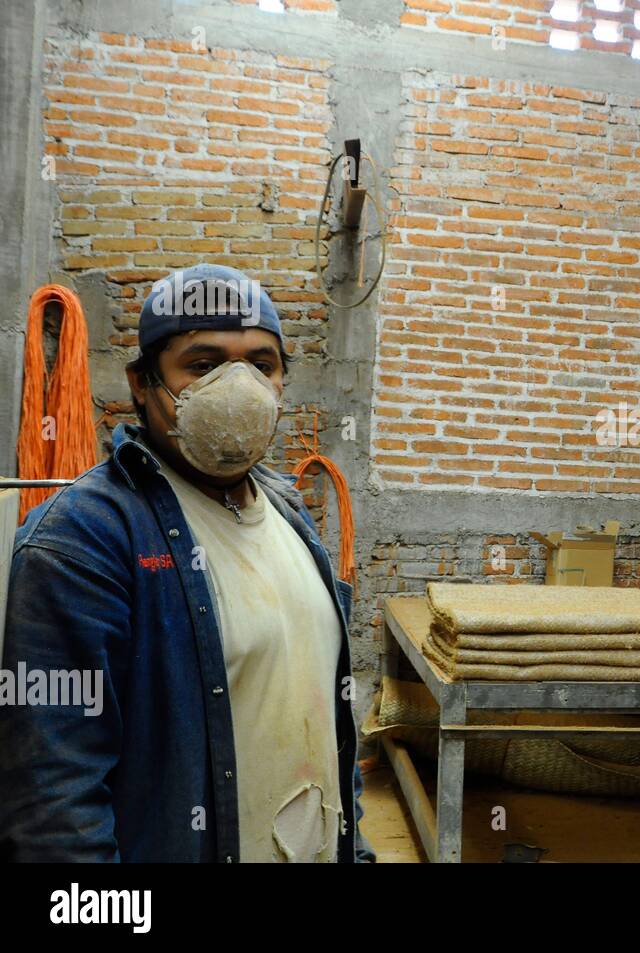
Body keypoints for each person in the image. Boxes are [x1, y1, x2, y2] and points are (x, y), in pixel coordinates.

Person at [0, 263, 373, 862]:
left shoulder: (289, 511)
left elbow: (332, 720)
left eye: (262, 364)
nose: (240, 385)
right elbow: (53, 801)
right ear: (142, 385)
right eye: (204, 365)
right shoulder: (82, 540)